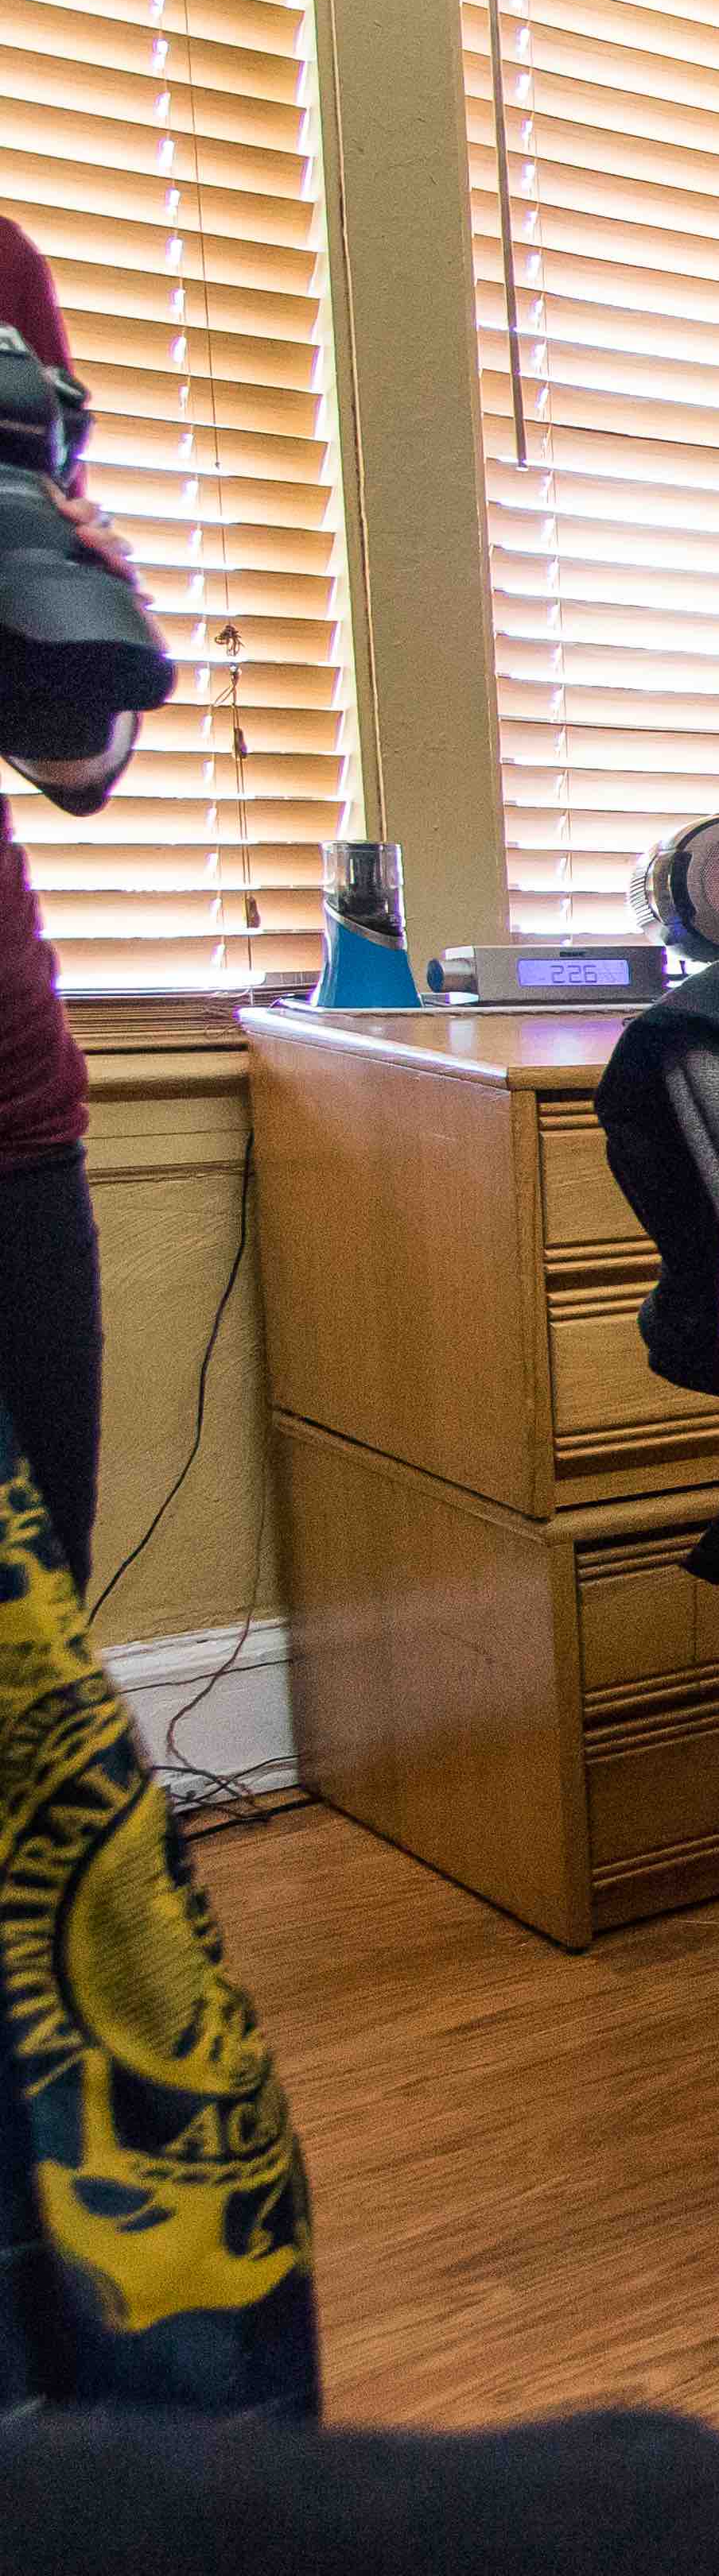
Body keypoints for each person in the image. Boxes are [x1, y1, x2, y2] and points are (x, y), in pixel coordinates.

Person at [0, 212, 144, 1588]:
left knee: (36, 1626)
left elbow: (74, 760)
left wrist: (82, 583)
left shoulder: (1, 269)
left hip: (8, 1125)